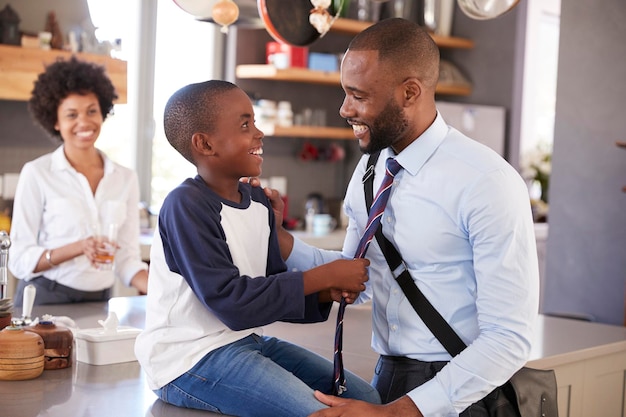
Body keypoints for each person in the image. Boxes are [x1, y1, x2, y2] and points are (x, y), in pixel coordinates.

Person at [269, 18, 539, 417]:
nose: (345, 109)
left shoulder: (487, 181)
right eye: (345, 93)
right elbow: (354, 279)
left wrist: (398, 412)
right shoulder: (367, 174)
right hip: (388, 378)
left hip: (461, 391)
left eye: (358, 95)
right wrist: (280, 239)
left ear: (410, 92)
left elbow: (510, 337)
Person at [133, 80, 380, 417]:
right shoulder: (185, 205)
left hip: (246, 343)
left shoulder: (257, 202)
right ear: (204, 143)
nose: (259, 133)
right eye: (245, 125)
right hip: (187, 359)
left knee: (368, 400)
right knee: (321, 413)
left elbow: (268, 293)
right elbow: (232, 302)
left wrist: (328, 292)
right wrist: (323, 277)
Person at [8, 56, 148, 305]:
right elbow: (19, 260)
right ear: (55, 121)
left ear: (103, 112)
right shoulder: (37, 173)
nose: (84, 122)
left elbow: (126, 258)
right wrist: (78, 247)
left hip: (101, 301)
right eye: (71, 114)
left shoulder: (125, 178)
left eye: (91, 111)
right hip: (45, 297)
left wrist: (159, 289)